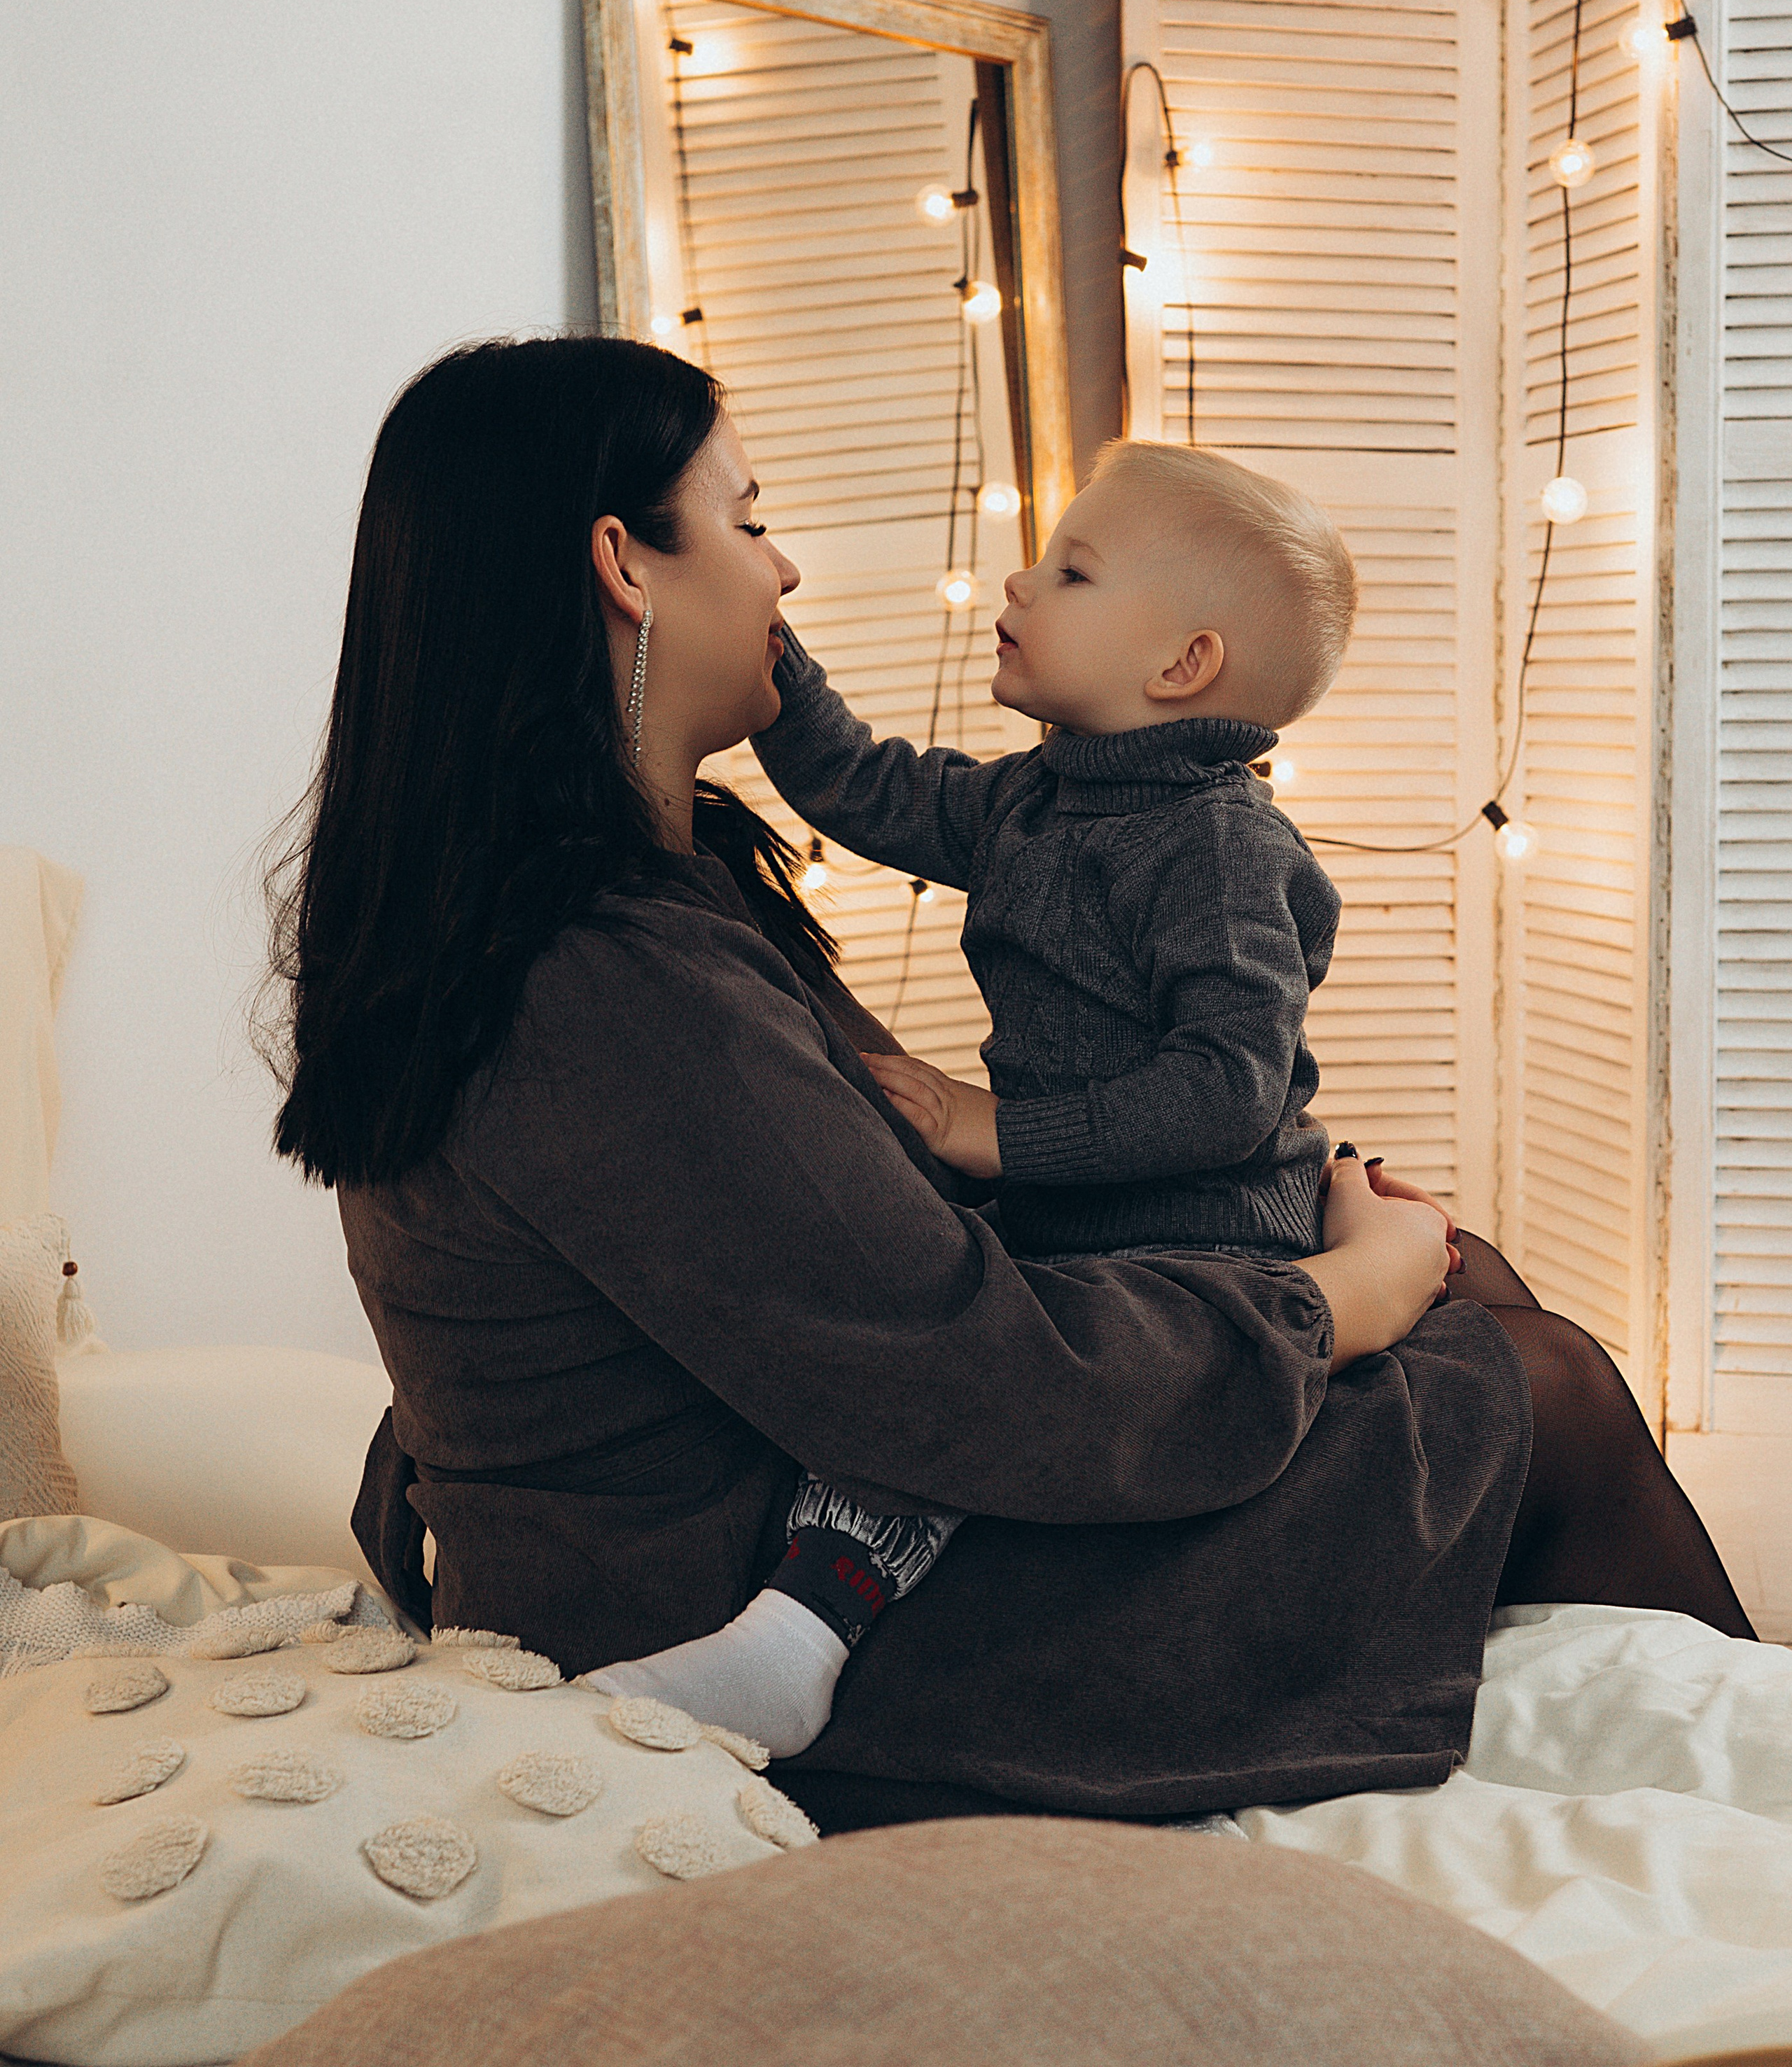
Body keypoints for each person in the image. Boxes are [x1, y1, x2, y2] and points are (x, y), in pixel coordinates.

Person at [266, 335, 1754, 1840]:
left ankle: (1703, 1754)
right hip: (755, 1603)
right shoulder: (608, 979)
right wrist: (1337, 1300)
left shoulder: (617, 893)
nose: (784, 570)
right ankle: (1747, 1798)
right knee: (1548, 1384)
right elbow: (958, 1373)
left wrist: (1299, 1210)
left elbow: (868, 1212)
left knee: (1469, 1282)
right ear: (623, 565)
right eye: (750, 520)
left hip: (775, 1487)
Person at [587, 440, 1415, 1753]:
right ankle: (805, 1634)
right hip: (1073, 1210)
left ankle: (804, 1637)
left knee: (989, 1387)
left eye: (1072, 573)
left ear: (1183, 665)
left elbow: (1229, 1094)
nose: (1019, 584)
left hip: (1202, 1235)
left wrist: (996, 1131)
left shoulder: (1218, 845)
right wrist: (769, 647)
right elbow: (861, 785)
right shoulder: (1033, 799)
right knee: (928, 1369)